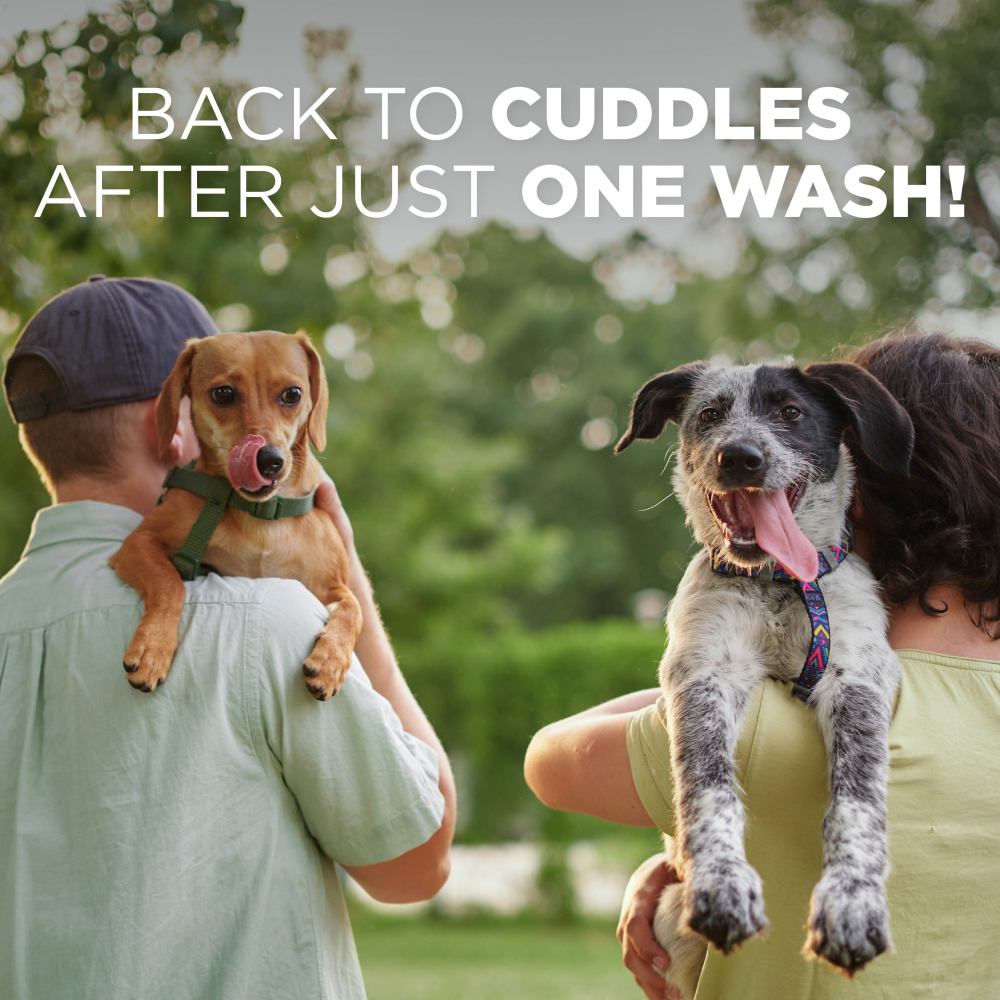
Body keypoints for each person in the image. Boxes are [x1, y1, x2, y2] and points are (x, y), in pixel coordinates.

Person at [0, 276, 456, 1000]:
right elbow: (415, 863)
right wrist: (350, 586)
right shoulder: (270, 623)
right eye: (227, 394)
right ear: (175, 421)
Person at [524, 332, 1000, 1000]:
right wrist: (681, 857)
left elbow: (549, 761)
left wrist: (675, 847)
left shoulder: (762, 735)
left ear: (864, 481)